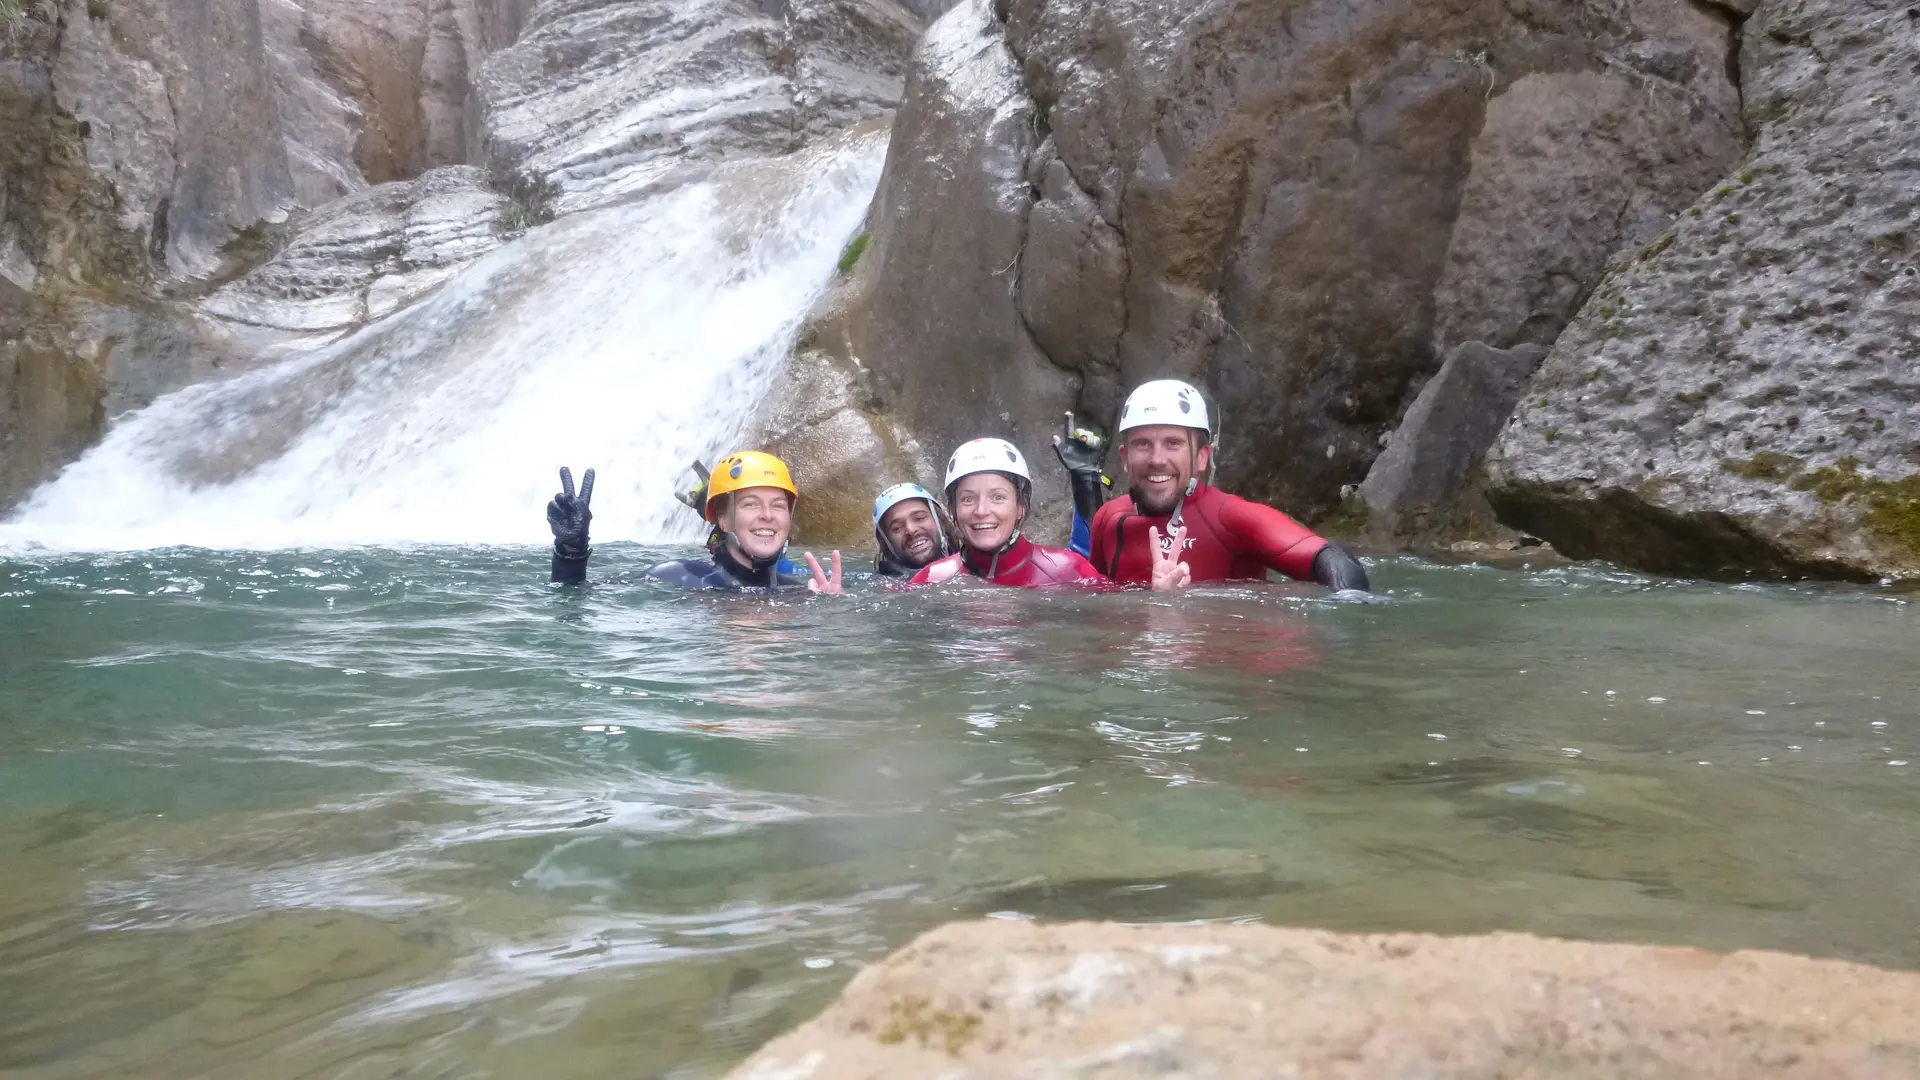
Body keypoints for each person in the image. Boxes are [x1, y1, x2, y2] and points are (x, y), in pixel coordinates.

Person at [1054, 380, 1370, 592]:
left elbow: (1333, 559)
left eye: (1173, 443)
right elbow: (1094, 603)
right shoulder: (1108, 519)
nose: (1157, 459)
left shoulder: (1231, 517)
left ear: (1202, 457)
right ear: (1124, 457)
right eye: (1142, 445)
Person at [545, 451, 845, 592]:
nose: (767, 515)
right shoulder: (674, 577)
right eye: (751, 504)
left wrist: (834, 610)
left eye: (778, 506)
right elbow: (576, 597)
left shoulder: (805, 594)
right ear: (723, 520)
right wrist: (570, 555)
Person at [910, 438, 1187, 589]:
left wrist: (1160, 601)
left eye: (998, 497)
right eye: (968, 499)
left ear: (1020, 507)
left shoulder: (1069, 570)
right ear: (954, 510)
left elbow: (1119, 628)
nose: (982, 511)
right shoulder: (930, 580)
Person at [871, 482, 957, 577]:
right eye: (897, 528)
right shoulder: (884, 588)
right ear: (887, 544)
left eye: (920, 518)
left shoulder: (972, 564)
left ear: (941, 522)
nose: (911, 530)